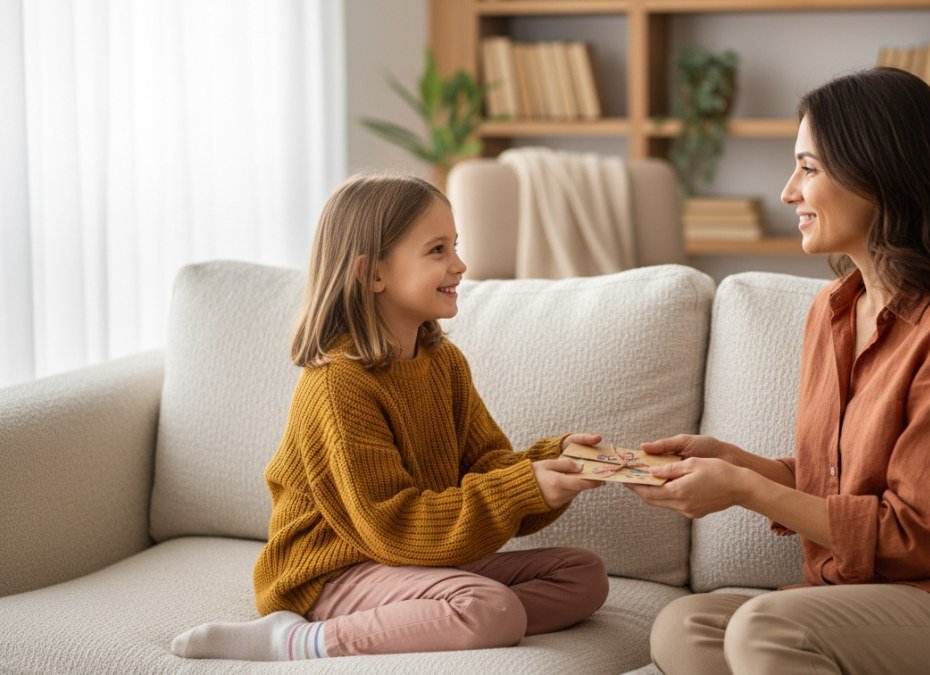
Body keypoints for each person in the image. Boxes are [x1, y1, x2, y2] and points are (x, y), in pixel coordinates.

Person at [628, 68, 930, 675]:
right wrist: (734, 463)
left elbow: (913, 537)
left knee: (764, 630)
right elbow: (836, 481)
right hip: (855, 599)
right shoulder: (834, 309)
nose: (788, 192)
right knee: (686, 627)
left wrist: (744, 490)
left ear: (878, 175)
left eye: (808, 169)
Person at [170, 173, 608, 661]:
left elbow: (486, 465)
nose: (460, 265)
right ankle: (291, 640)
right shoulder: (339, 384)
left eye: (455, 246)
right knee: (490, 608)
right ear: (372, 274)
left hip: (413, 559)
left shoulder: (443, 364)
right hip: (333, 571)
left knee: (583, 575)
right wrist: (524, 486)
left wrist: (555, 463)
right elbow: (391, 526)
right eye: (437, 250)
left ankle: (438, 620)